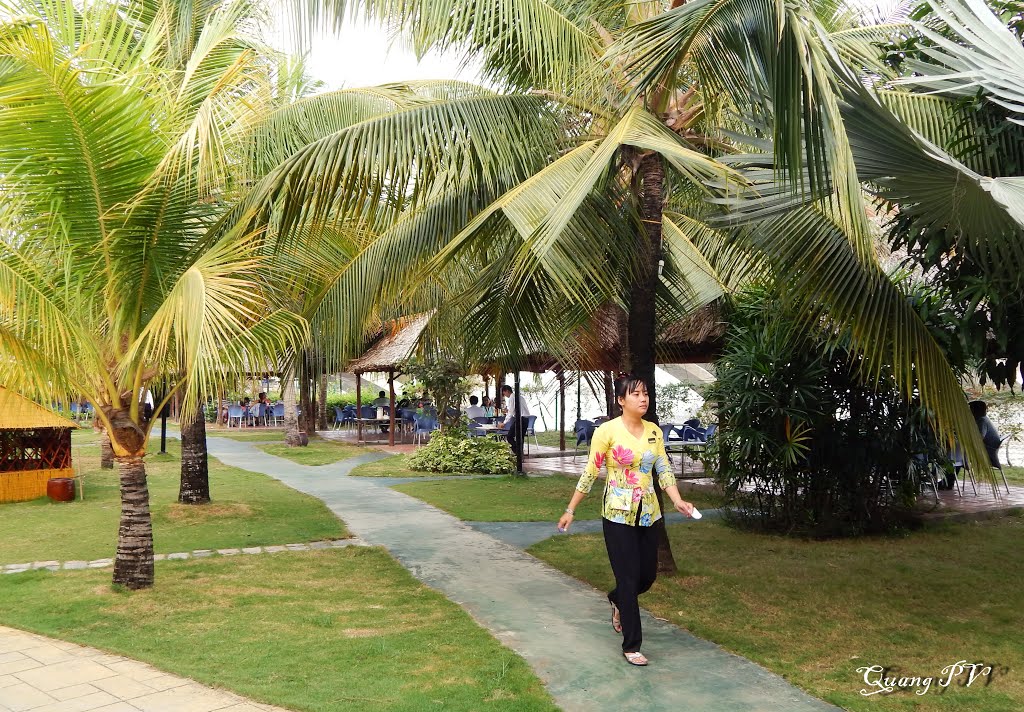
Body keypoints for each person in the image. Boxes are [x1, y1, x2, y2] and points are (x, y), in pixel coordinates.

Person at [557, 374, 696, 667]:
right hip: (617, 514)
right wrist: (571, 509)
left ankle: (616, 599)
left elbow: (664, 469)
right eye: (635, 394)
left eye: (645, 393)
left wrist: (677, 500)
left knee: (647, 576)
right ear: (621, 401)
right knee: (629, 579)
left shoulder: (654, 432)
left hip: (648, 513)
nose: (643, 398)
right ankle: (632, 645)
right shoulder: (606, 432)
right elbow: (591, 472)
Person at [501, 384, 531, 457]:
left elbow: (511, 412)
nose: (504, 395)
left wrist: (504, 423)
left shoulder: (512, 398)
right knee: (520, 437)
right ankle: (520, 454)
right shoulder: (520, 397)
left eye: (504, 393)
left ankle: (517, 451)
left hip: (520, 419)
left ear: (507, 391)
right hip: (526, 419)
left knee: (510, 436)